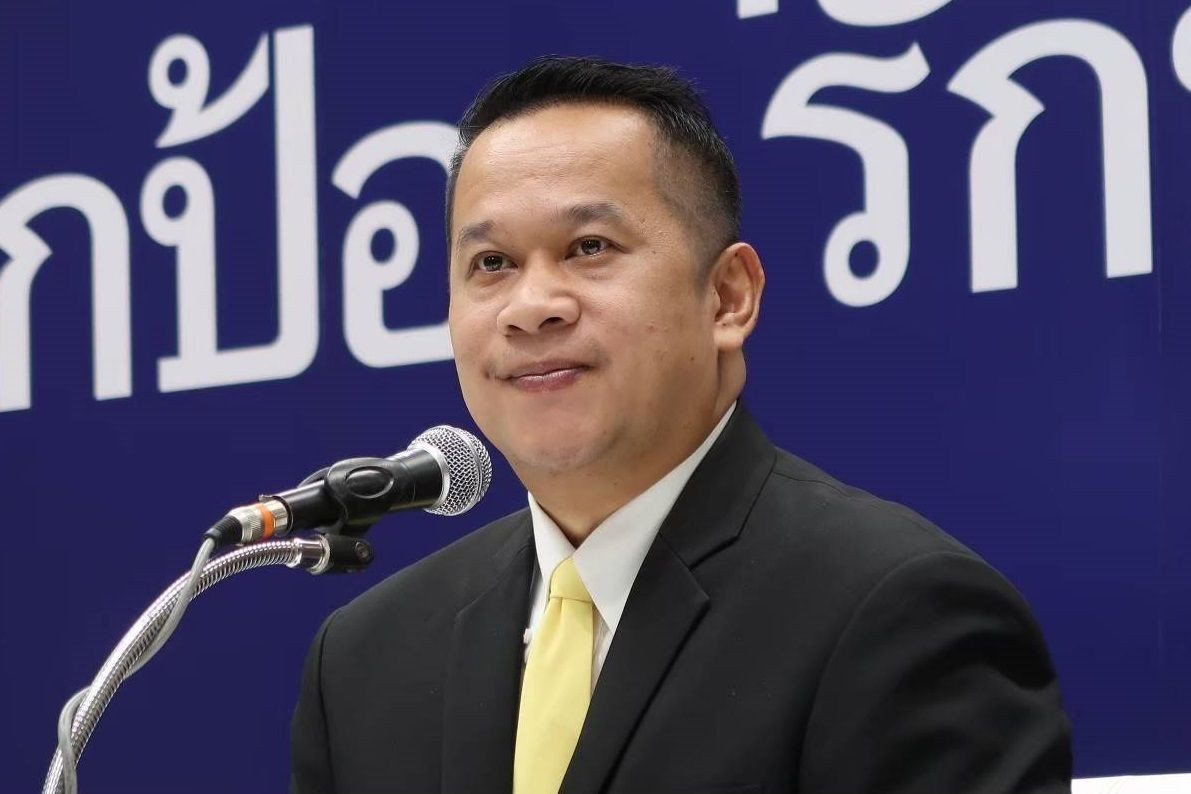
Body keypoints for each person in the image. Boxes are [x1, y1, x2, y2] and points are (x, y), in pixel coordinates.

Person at [290, 56, 1072, 794]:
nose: (531, 307)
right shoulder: (364, 661)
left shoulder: (893, 612)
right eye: (491, 264)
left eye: (588, 247)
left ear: (727, 296)